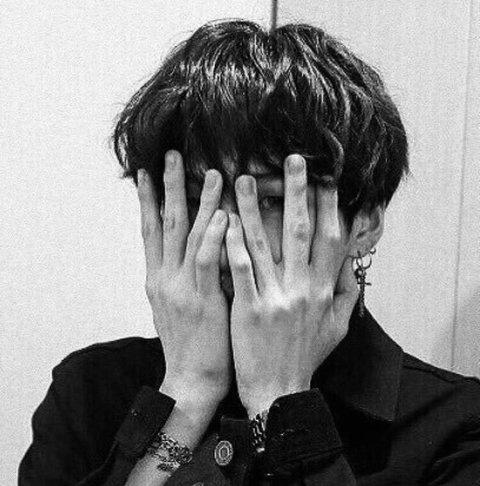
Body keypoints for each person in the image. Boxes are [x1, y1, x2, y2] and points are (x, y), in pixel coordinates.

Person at [19, 19, 480, 486]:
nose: (225, 239)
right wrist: (186, 397)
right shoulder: (89, 393)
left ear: (365, 223)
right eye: (196, 199)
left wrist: (281, 401)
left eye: (270, 201)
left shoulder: (456, 428)